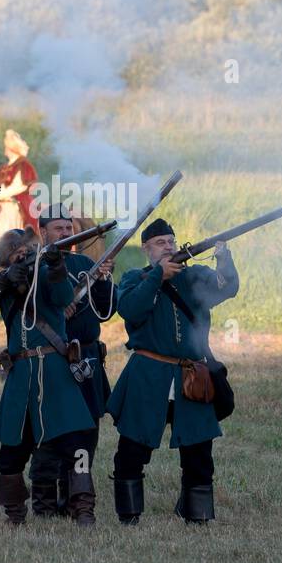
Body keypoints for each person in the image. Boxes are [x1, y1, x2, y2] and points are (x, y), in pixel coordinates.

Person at [106, 219, 237, 525]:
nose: (168, 246)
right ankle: (129, 516)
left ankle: (198, 515)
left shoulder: (194, 277)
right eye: (161, 242)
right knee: (132, 448)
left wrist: (224, 258)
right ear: (146, 249)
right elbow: (131, 309)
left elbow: (227, 288)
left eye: (171, 241)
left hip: (192, 374)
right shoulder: (134, 278)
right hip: (148, 374)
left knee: (198, 449)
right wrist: (158, 277)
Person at [0, 228, 98, 526]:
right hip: (22, 375)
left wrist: (56, 266)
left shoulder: (49, 273)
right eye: (16, 257)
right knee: (11, 452)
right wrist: (3, 279)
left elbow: (64, 298)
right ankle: (15, 514)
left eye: (26, 252)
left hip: (55, 372)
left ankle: (83, 509)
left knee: (76, 444)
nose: (24, 258)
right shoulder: (6, 286)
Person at [28, 206, 115, 516]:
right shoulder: (31, 267)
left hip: (86, 356)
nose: (66, 233)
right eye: (59, 228)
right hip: (51, 359)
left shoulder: (84, 264)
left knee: (86, 431)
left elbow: (107, 309)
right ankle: (45, 505)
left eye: (69, 228)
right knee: (49, 434)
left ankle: (76, 500)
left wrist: (104, 280)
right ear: (43, 232)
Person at [0, 129, 38, 238]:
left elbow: (19, 187)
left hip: (15, 203)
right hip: (0, 204)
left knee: (8, 230)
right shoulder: (4, 167)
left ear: (12, 149)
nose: (5, 150)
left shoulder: (23, 164)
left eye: (7, 148)